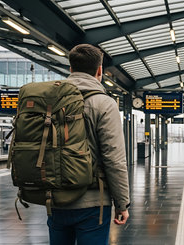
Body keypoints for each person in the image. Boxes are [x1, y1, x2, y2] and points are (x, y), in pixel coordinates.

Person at [47, 44, 130, 245]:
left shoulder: (50, 100)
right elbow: (114, 158)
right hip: (93, 202)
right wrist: (122, 203)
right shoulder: (104, 103)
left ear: (71, 69)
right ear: (99, 71)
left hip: (56, 198)